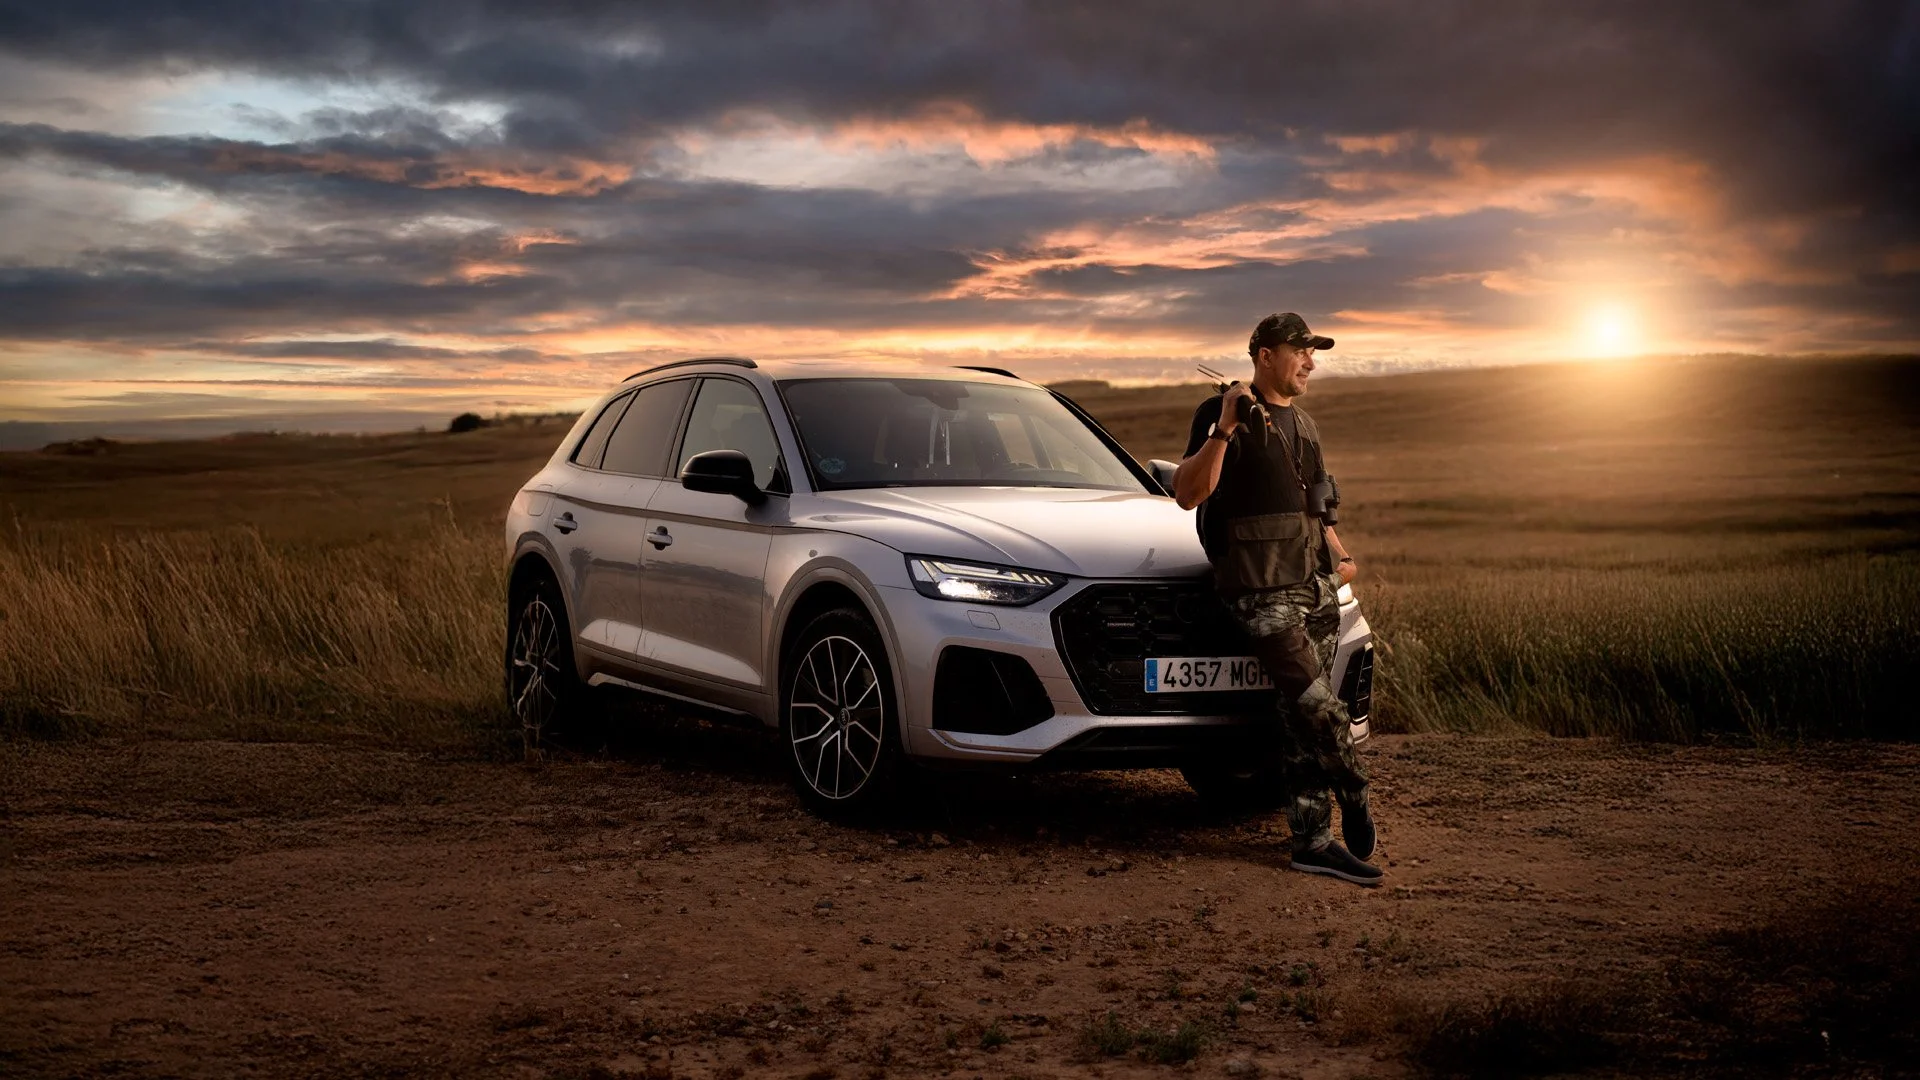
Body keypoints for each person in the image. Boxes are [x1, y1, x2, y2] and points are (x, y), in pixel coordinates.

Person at [1172, 312, 1380, 887]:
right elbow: (1188, 495)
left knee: (1298, 722)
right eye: (1300, 350)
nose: (1310, 361)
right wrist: (1224, 428)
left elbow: (1319, 503)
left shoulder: (1305, 425)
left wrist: (1339, 553)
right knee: (1323, 707)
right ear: (1264, 354)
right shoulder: (1225, 415)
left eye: (1315, 353)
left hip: (1314, 585)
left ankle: (1312, 841)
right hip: (1261, 592)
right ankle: (1356, 790)